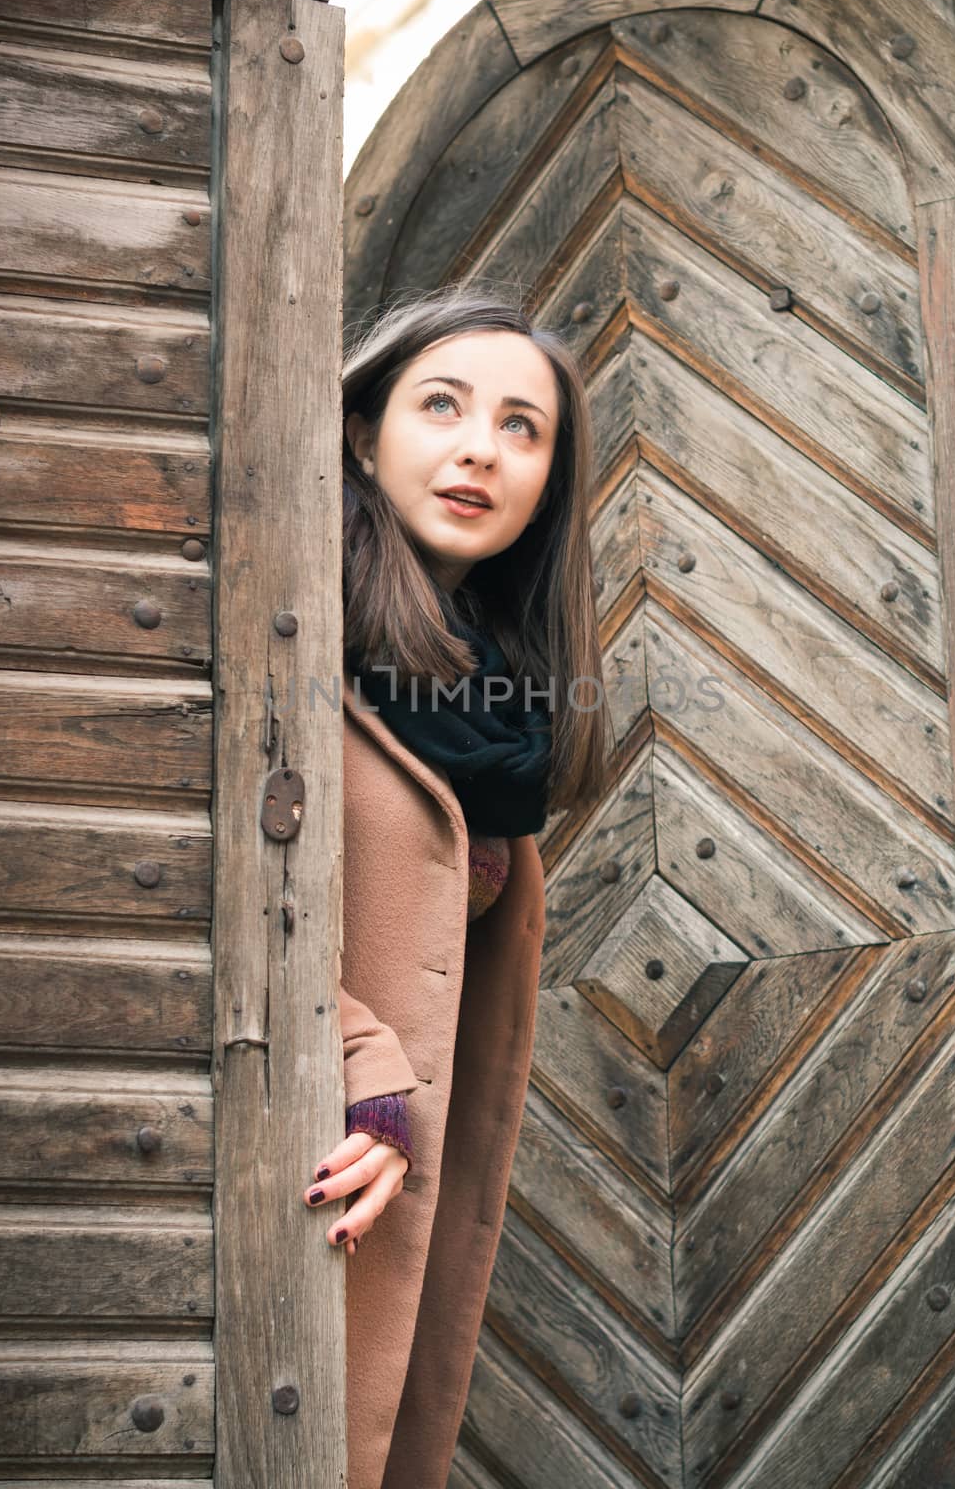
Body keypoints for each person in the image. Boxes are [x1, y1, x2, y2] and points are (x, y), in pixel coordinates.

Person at [302, 283, 610, 1488]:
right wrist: (355, 1064)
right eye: (442, 404)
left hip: (390, 1226)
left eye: (522, 426)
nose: (482, 445)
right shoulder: (279, 623)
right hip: (287, 1170)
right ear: (364, 430)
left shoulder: (499, 699)